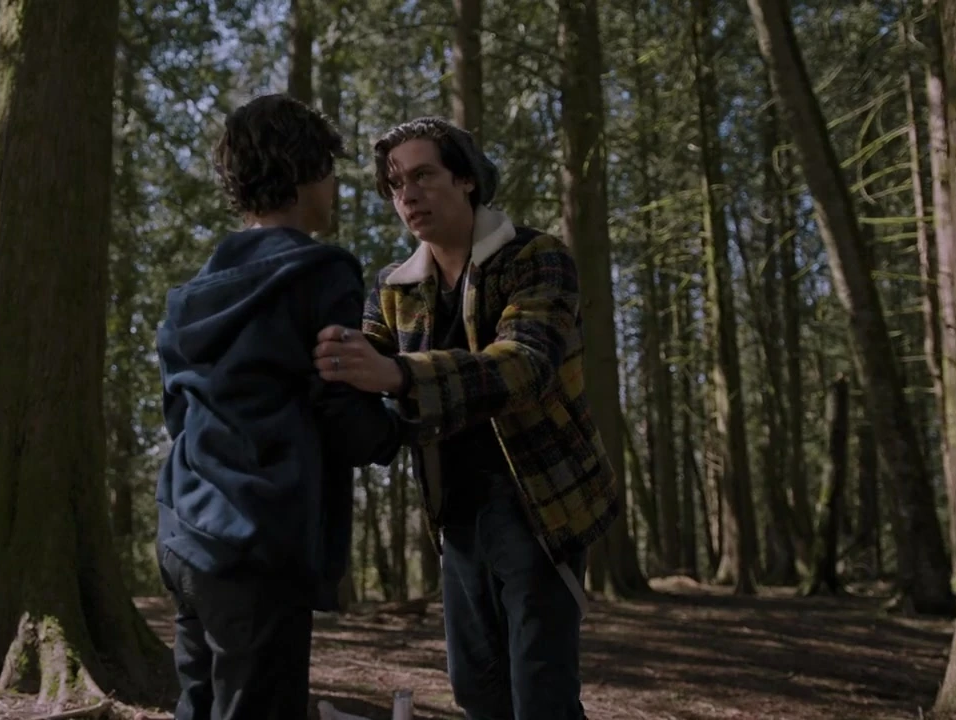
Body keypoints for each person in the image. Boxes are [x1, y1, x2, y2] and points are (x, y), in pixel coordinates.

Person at [311, 116, 620, 720]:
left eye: (423, 176)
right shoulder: (393, 288)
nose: (408, 195)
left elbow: (526, 365)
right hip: (454, 509)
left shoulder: (536, 257)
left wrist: (401, 375)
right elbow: (359, 357)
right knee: (476, 689)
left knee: (541, 691)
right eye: (396, 185)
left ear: (467, 179)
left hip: (541, 504)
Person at [154, 94, 406, 720]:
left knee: (199, 705)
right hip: (259, 540)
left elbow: (177, 414)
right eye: (329, 171)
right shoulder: (320, 273)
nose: (334, 188)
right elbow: (340, 405)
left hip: (184, 531)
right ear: (302, 172)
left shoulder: (191, 296)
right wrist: (399, 428)